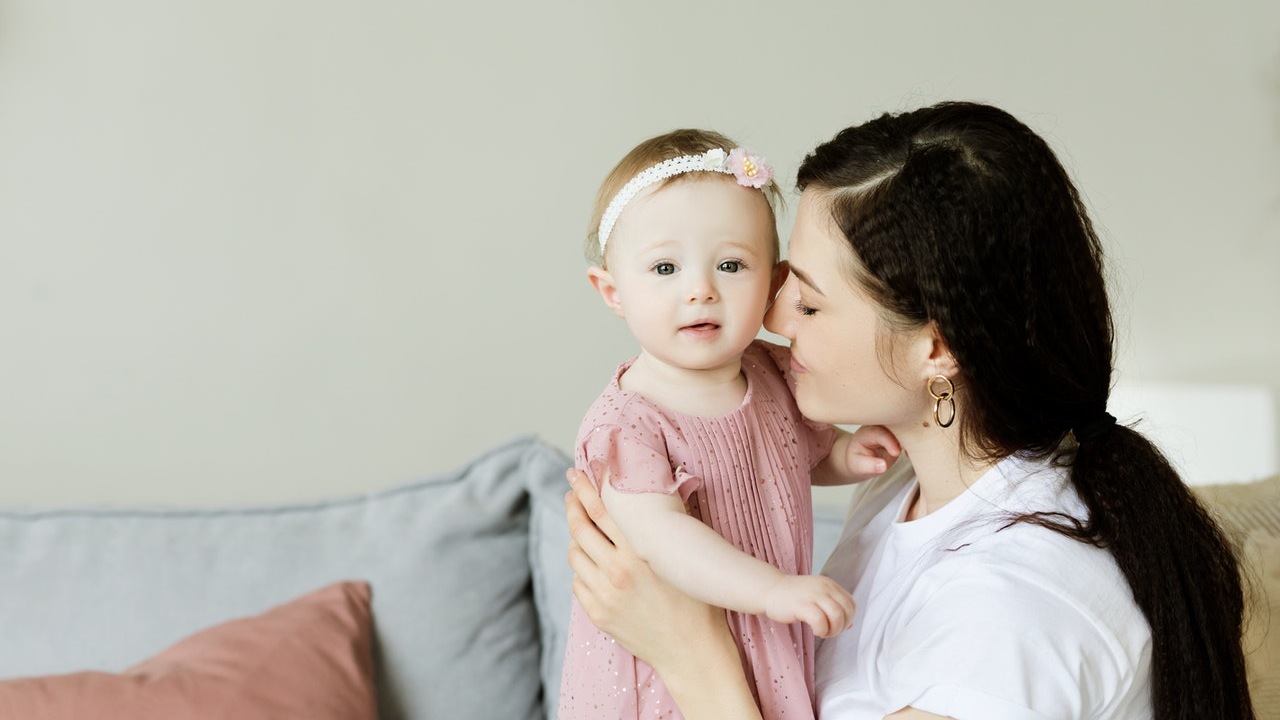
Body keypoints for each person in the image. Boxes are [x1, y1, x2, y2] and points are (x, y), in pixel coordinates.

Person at [564, 102, 1256, 720]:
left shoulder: (1008, 619)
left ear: (935, 345)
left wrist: (690, 655)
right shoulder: (907, 483)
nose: (771, 319)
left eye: (806, 300)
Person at [559, 128, 900, 720]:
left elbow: (794, 458)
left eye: (731, 264)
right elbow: (662, 540)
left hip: (765, 634)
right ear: (612, 291)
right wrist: (771, 590)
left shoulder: (772, 374)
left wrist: (845, 455)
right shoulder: (628, 423)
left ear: (773, 284)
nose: (700, 290)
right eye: (665, 267)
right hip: (665, 662)